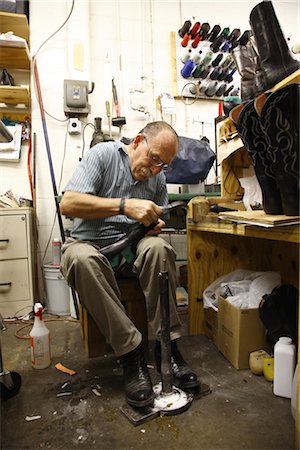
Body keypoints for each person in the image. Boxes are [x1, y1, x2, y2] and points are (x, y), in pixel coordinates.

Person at [60, 121, 200, 408]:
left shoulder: (157, 179)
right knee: (79, 258)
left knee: (159, 248)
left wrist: (153, 225)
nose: (156, 169)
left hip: (132, 249)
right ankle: (132, 353)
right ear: (137, 142)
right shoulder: (103, 155)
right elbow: (68, 203)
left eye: (164, 165)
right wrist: (124, 205)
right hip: (93, 245)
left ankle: (168, 348)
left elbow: (155, 222)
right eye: (155, 159)